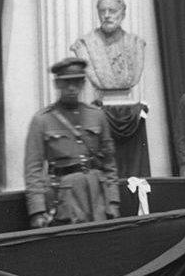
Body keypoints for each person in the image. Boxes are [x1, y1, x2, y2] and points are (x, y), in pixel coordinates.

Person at [23, 58, 120, 228]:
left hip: (97, 195)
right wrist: (37, 210)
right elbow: (33, 169)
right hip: (63, 197)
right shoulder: (42, 120)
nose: (71, 88)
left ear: (83, 83)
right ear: (57, 84)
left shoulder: (97, 116)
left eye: (76, 82)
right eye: (66, 83)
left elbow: (109, 163)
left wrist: (113, 200)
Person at [70, 0, 146, 96]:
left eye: (112, 11)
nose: (106, 15)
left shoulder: (136, 43)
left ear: (123, 15)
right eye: (102, 11)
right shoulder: (84, 44)